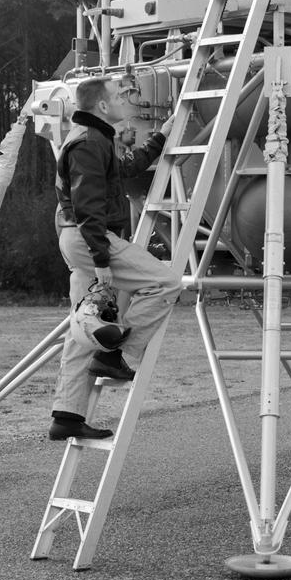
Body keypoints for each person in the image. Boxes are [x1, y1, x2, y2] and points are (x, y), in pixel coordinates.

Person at [49, 75, 181, 441]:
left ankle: (67, 415)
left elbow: (127, 168)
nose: (126, 100)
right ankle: (119, 357)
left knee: (82, 329)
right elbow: (87, 207)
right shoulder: (88, 144)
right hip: (88, 238)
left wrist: (161, 136)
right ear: (102, 106)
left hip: (79, 239)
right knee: (166, 282)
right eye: (118, 95)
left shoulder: (95, 140)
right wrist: (102, 259)